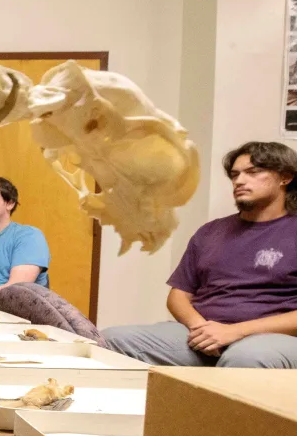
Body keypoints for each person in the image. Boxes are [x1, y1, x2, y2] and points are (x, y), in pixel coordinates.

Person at [104, 141, 297, 368]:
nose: (240, 181)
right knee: (110, 340)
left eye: (253, 172)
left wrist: (234, 331)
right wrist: (201, 329)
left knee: (245, 358)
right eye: (235, 175)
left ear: (285, 178)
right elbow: (178, 295)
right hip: (204, 332)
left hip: (272, 338)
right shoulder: (211, 231)